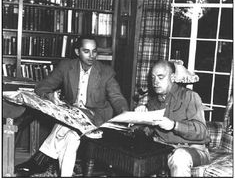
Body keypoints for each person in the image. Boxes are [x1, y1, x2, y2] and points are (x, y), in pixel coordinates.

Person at [15, 35, 129, 177]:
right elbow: (42, 86)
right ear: (77, 52)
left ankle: (40, 159)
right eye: (86, 51)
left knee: (66, 124)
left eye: (94, 51)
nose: (91, 56)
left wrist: (126, 114)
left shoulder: (106, 72)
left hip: (96, 117)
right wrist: (50, 96)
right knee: (71, 139)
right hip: (72, 118)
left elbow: (117, 97)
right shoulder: (66, 67)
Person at [134, 59, 210, 177]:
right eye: (153, 77)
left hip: (194, 150)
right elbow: (147, 132)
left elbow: (202, 132)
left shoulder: (189, 96)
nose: (155, 82)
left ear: (173, 77)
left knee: (179, 157)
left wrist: (175, 125)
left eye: (160, 77)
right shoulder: (153, 102)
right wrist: (140, 119)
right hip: (164, 149)